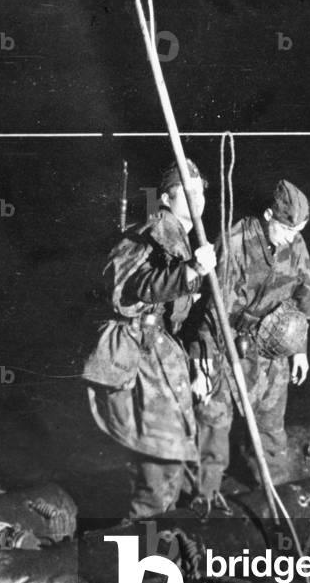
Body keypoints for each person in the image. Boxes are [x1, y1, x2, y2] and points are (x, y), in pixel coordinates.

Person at [83, 159, 216, 518]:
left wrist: (199, 362)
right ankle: (140, 544)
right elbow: (133, 287)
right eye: (186, 193)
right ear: (167, 198)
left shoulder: (183, 238)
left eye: (200, 190)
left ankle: (160, 532)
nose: (197, 199)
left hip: (162, 351)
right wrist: (190, 271)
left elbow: (185, 315)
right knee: (160, 457)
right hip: (138, 353)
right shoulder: (151, 233)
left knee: (173, 453)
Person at [188, 179, 310, 505]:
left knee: (271, 426)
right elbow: (207, 307)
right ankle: (204, 499)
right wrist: (203, 361)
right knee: (214, 425)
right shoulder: (235, 241)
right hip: (222, 343)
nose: (294, 237)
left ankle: (274, 495)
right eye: (287, 229)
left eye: (298, 230)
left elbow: (304, 298)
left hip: (270, 346)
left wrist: (299, 350)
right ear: (268, 216)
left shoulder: (295, 243)